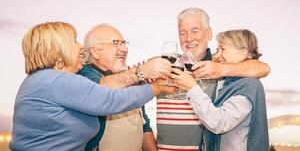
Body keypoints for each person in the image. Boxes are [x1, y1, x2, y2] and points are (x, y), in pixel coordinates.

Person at [9, 22, 173, 151]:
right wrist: (156, 86)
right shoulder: (55, 81)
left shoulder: (42, 80)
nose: (81, 46)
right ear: (57, 50)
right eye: (74, 40)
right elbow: (110, 100)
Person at [156, 8, 270, 151]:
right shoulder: (165, 64)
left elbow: (263, 68)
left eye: (195, 31)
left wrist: (220, 70)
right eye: (182, 33)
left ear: (209, 33)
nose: (188, 38)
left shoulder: (219, 70)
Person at [78, 24, 173, 151]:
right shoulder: (82, 75)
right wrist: (142, 72)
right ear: (95, 51)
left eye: (124, 43)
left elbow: (143, 124)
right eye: (116, 43)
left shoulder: (130, 78)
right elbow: (97, 90)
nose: (124, 48)